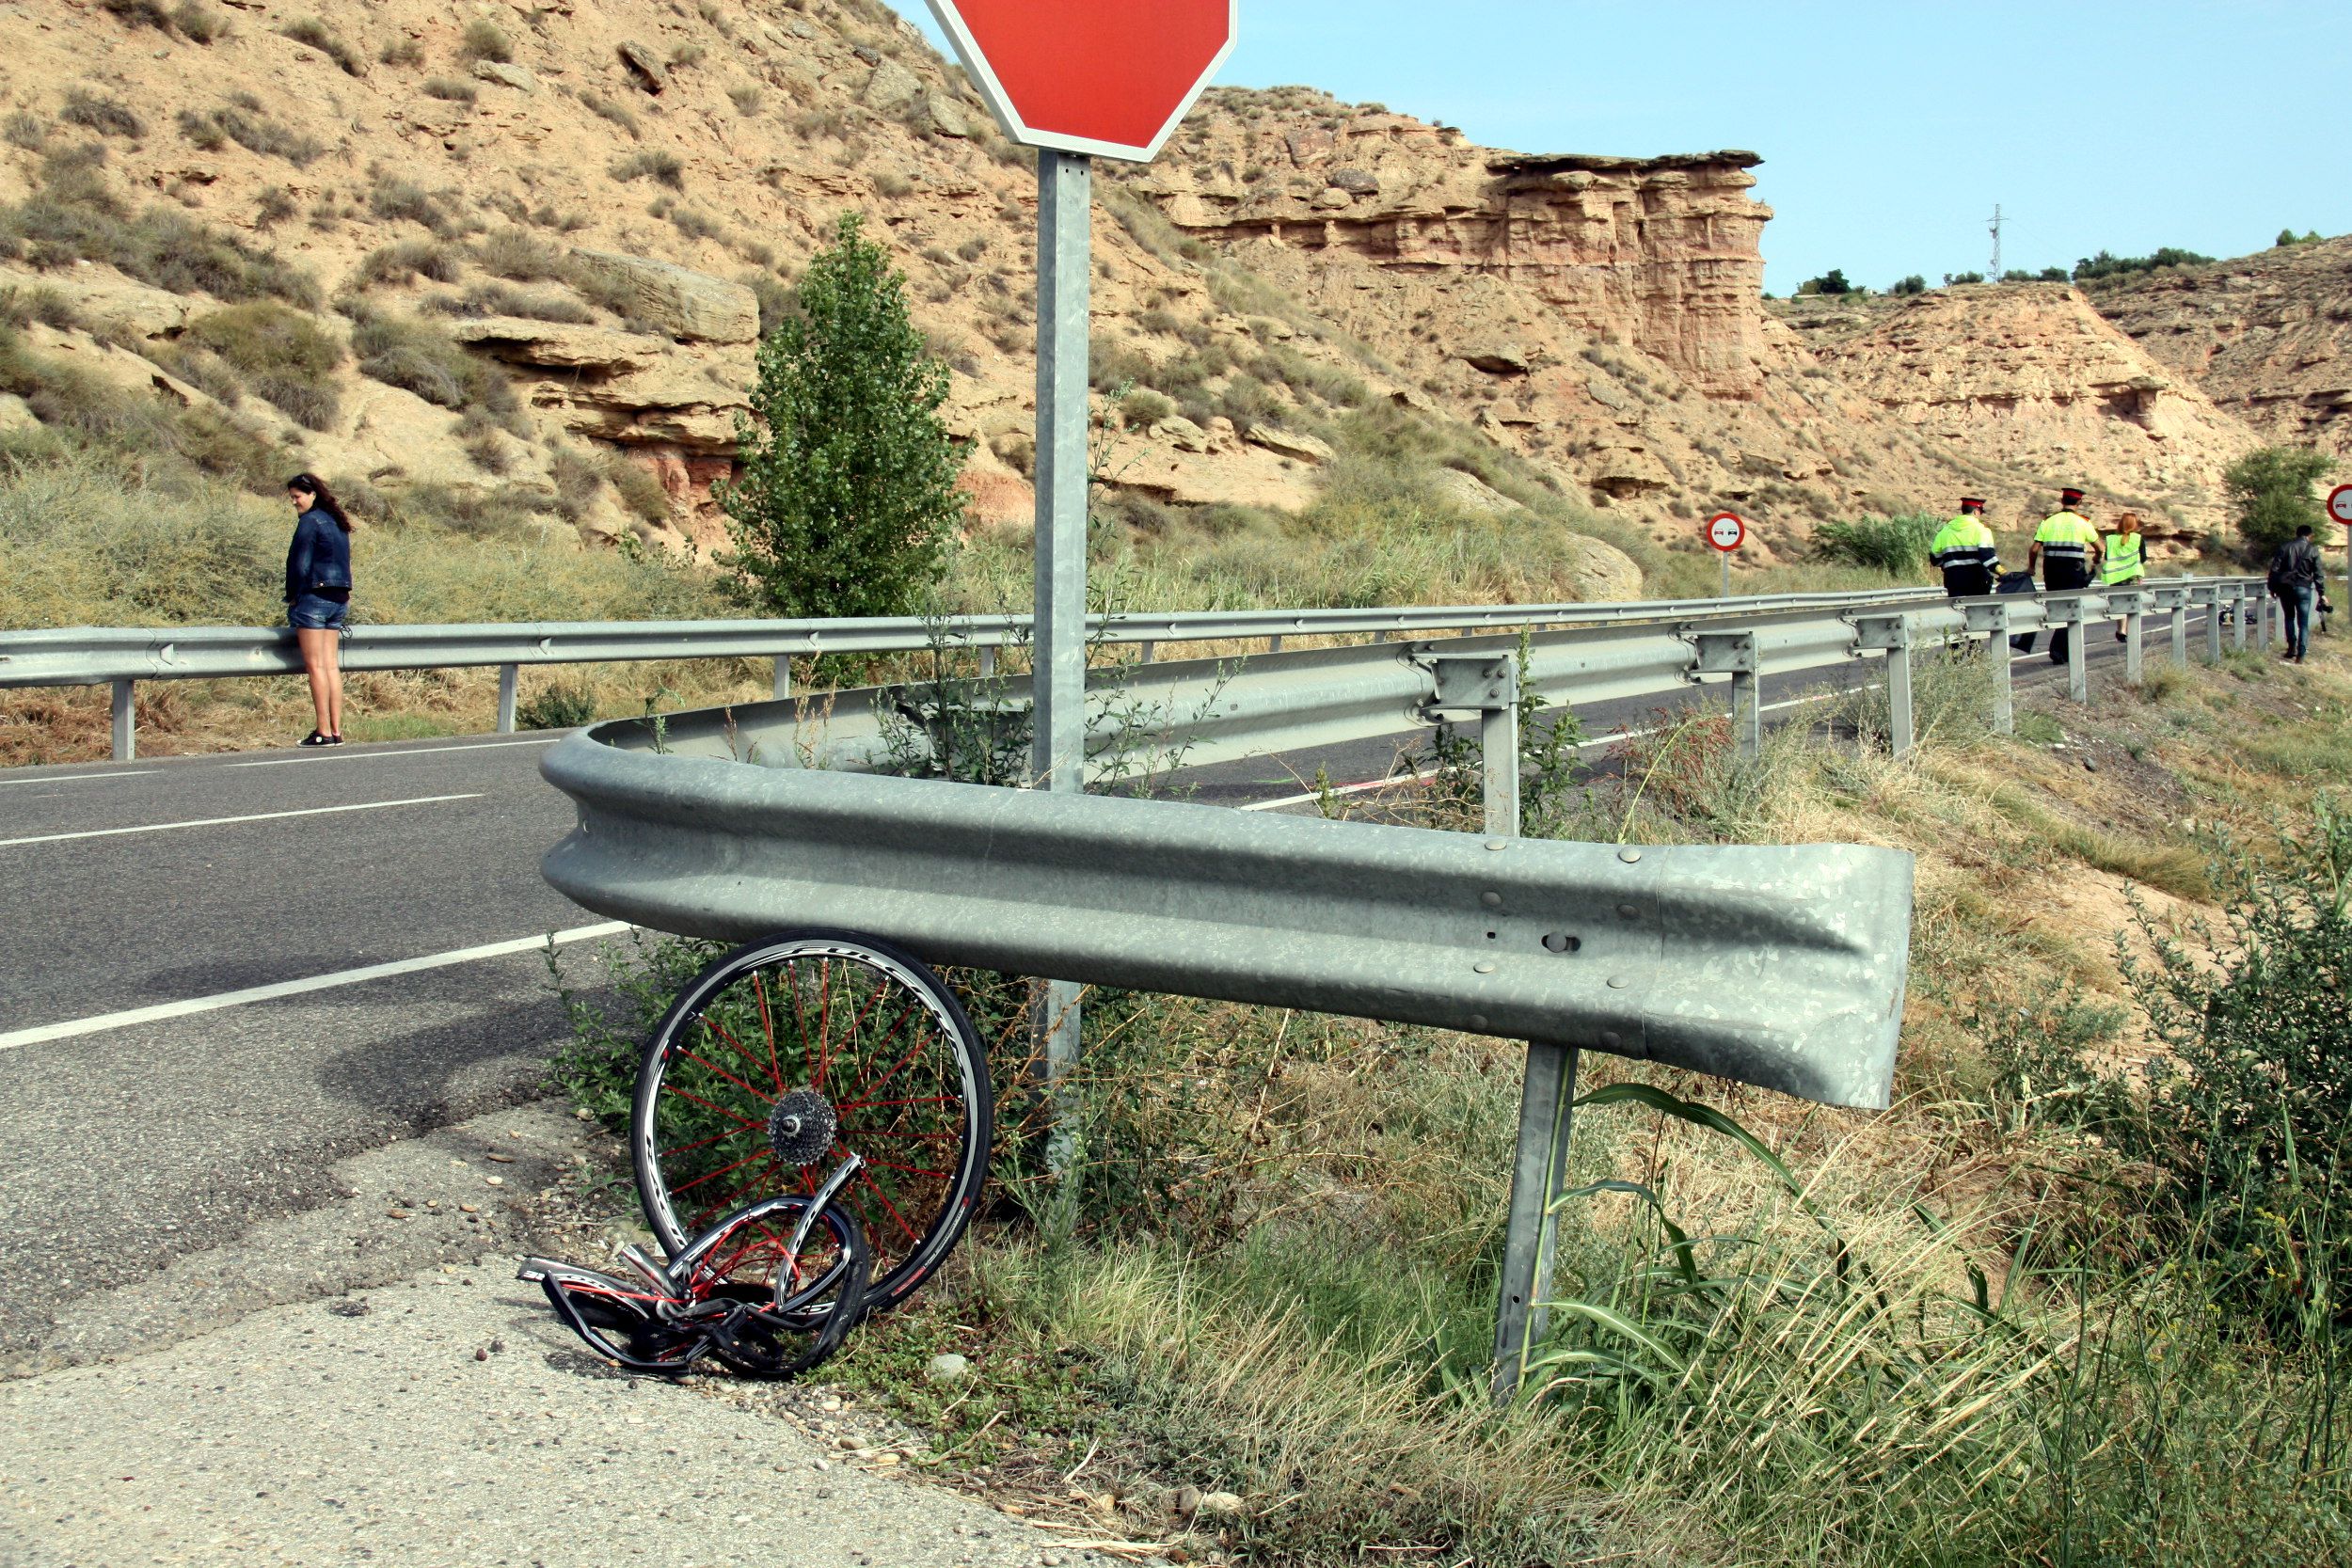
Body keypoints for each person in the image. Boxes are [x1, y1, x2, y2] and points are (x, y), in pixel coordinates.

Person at [284, 472, 354, 746]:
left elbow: (298, 564)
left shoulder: (310, 522)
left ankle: (323, 731)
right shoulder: (337, 521)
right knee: (330, 667)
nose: (294, 502)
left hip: (314, 597)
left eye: (296, 496)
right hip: (339, 598)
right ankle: (336, 731)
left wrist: (293, 596)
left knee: (315, 668)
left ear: (311, 494)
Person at [2029, 486, 2103, 665]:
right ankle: (2057, 650)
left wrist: (2031, 568)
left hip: (2051, 571)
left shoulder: (2048, 521)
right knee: (2070, 609)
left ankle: (2063, 651)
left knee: (2058, 608)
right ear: (2079, 502)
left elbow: (2034, 549)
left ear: (2062, 501)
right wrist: (2096, 560)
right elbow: (2100, 548)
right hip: (2073, 571)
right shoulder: (2083, 522)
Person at [2268, 523, 2326, 663]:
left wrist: (2272, 587)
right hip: (2304, 589)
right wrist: (2321, 592)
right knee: (2303, 623)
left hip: (2286, 588)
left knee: (2289, 617)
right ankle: (2301, 653)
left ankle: (2291, 648)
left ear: (2297, 534)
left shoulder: (2285, 547)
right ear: (2310, 535)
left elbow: (2274, 570)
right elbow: (2318, 573)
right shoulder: (2313, 550)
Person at [1929, 497, 2001, 598]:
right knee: (1978, 612)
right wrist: (2002, 572)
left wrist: (1951, 566)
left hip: (1954, 582)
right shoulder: (1982, 530)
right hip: (1977, 582)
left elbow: (1934, 559)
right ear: (1976, 512)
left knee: (1959, 611)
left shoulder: (1945, 531)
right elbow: (1988, 557)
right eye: (1980, 512)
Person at [2101, 510, 2147, 641]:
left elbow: (2107, 557)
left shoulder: (2111, 539)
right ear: (2135, 525)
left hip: (2115, 577)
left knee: (2120, 603)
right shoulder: (2138, 539)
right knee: (2132, 603)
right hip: (2132, 576)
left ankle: (2121, 630)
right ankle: (2131, 631)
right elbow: (2143, 557)